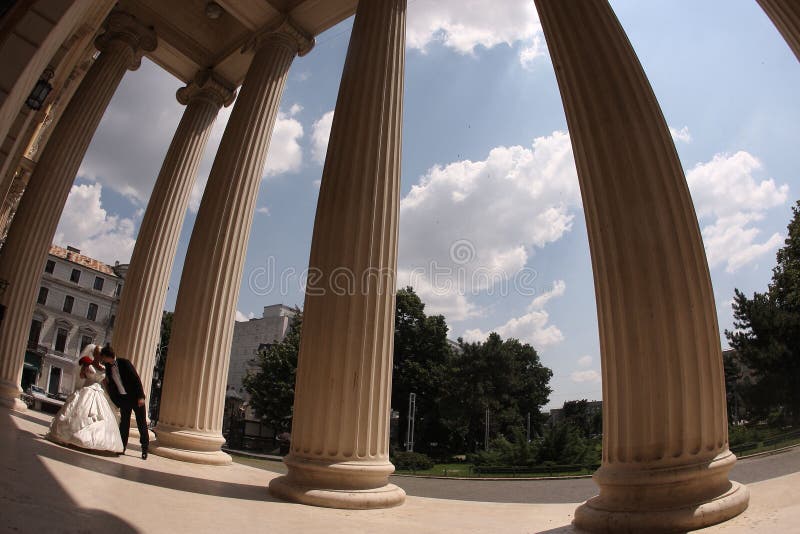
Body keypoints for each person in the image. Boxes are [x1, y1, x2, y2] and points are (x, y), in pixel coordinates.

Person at [46, 344, 124, 454]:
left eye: (100, 355)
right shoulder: (88, 364)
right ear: (95, 354)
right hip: (87, 390)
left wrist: (113, 397)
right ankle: (73, 437)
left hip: (99, 393)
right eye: (98, 354)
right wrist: (84, 369)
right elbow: (82, 376)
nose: (100, 357)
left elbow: (106, 384)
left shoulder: (104, 369)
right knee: (80, 413)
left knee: (100, 417)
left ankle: (94, 441)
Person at [99, 344, 149, 460]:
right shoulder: (108, 366)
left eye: (103, 357)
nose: (102, 360)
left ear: (108, 356)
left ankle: (145, 449)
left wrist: (141, 396)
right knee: (124, 424)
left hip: (136, 398)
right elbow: (112, 384)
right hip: (124, 399)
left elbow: (136, 379)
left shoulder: (124, 363)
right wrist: (115, 399)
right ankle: (122, 447)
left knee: (141, 423)